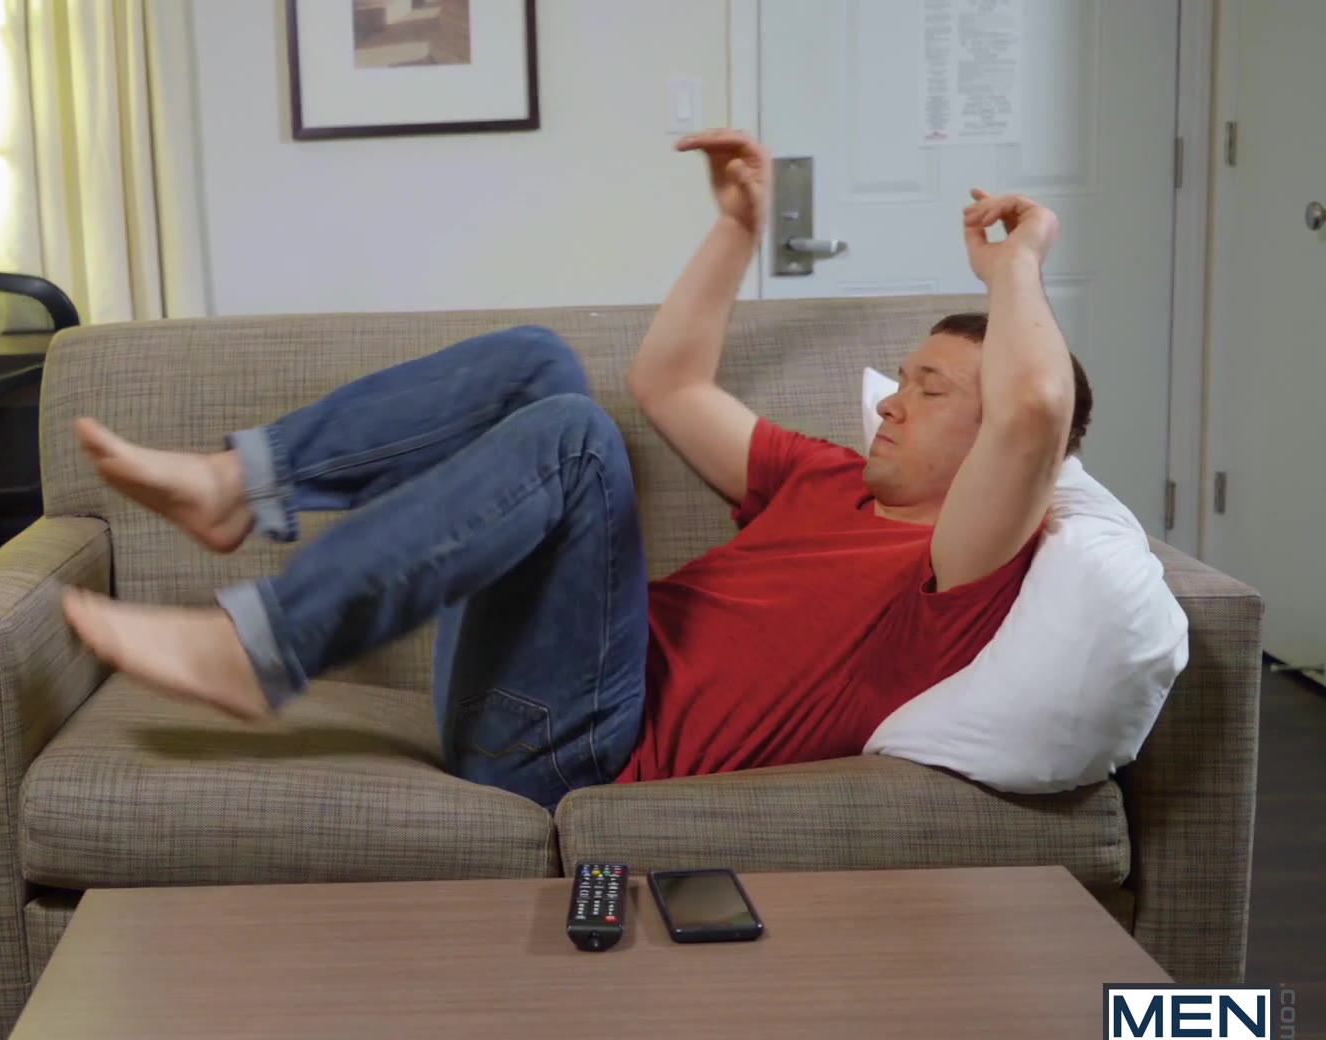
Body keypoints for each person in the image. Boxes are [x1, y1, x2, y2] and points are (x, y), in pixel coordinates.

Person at [60, 129, 1089, 810]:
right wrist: (736, 231)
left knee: (574, 438)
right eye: (902, 379)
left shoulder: (952, 573)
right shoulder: (829, 477)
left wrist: (1019, 261)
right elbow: (668, 382)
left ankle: (264, 646)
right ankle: (243, 487)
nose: (895, 403)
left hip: (578, 753)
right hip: (527, 686)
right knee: (538, 363)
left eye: (932, 391)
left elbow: (1038, 410)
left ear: (996, 445)